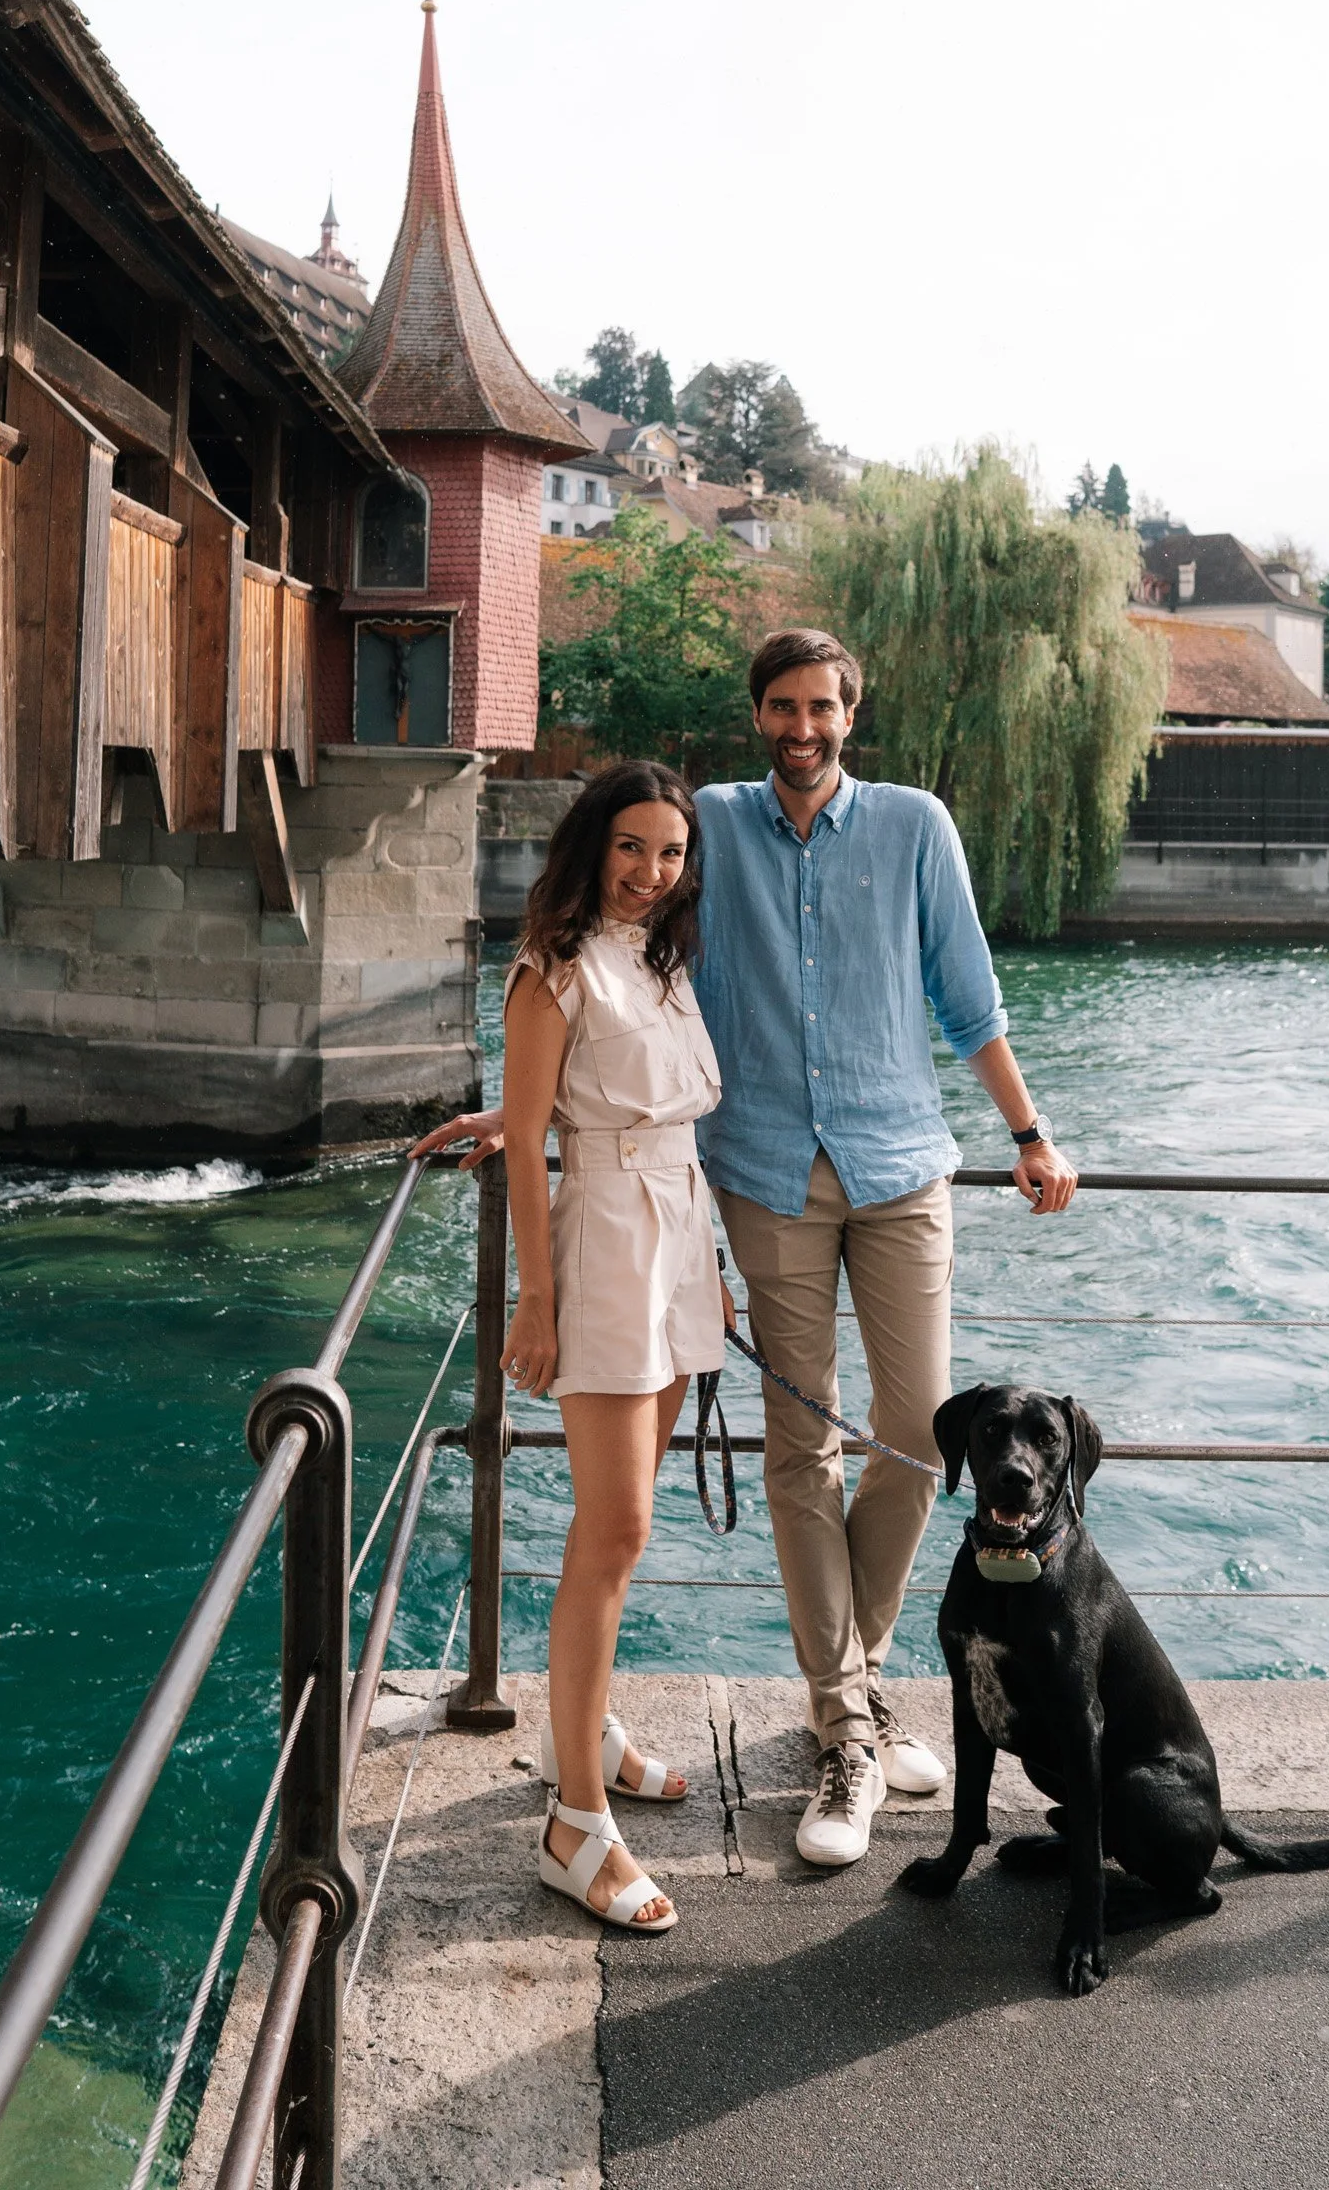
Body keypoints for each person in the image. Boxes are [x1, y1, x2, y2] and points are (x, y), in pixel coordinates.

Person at [418, 626, 1078, 1874]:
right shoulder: (707, 822)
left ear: (849, 713)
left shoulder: (914, 826)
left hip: (897, 1164)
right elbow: (602, 959)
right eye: (781, 706)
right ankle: (843, 1723)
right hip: (760, 1178)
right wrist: (519, 1113)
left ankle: (855, 1686)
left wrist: (1029, 1132)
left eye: (821, 706)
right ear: (756, 714)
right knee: (797, 1444)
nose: (801, 727)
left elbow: (968, 999)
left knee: (915, 1434)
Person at [482, 759, 727, 1933]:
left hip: (679, 1233)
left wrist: (707, 1267)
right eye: (631, 847)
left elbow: (657, 1106)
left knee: (621, 1526)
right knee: (613, 1525)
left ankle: (581, 1731)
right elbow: (531, 1142)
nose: (650, 871)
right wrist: (535, 1301)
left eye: (670, 852)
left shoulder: (661, 960)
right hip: (607, 1240)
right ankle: (573, 1826)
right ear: (592, 845)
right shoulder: (554, 969)